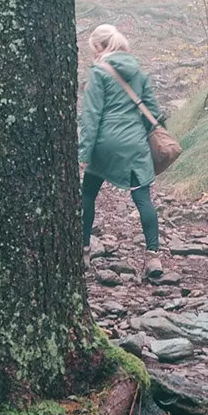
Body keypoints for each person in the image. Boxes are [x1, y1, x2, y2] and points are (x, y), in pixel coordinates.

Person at [78, 22, 164, 280]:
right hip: (135, 144)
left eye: (94, 48)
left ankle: (83, 252)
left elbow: (91, 115)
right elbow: (154, 112)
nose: (94, 54)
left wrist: (84, 154)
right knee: (143, 199)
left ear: (102, 47)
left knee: (89, 193)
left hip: (105, 145)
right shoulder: (138, 72)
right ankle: (153, 258)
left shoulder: (99, 72)